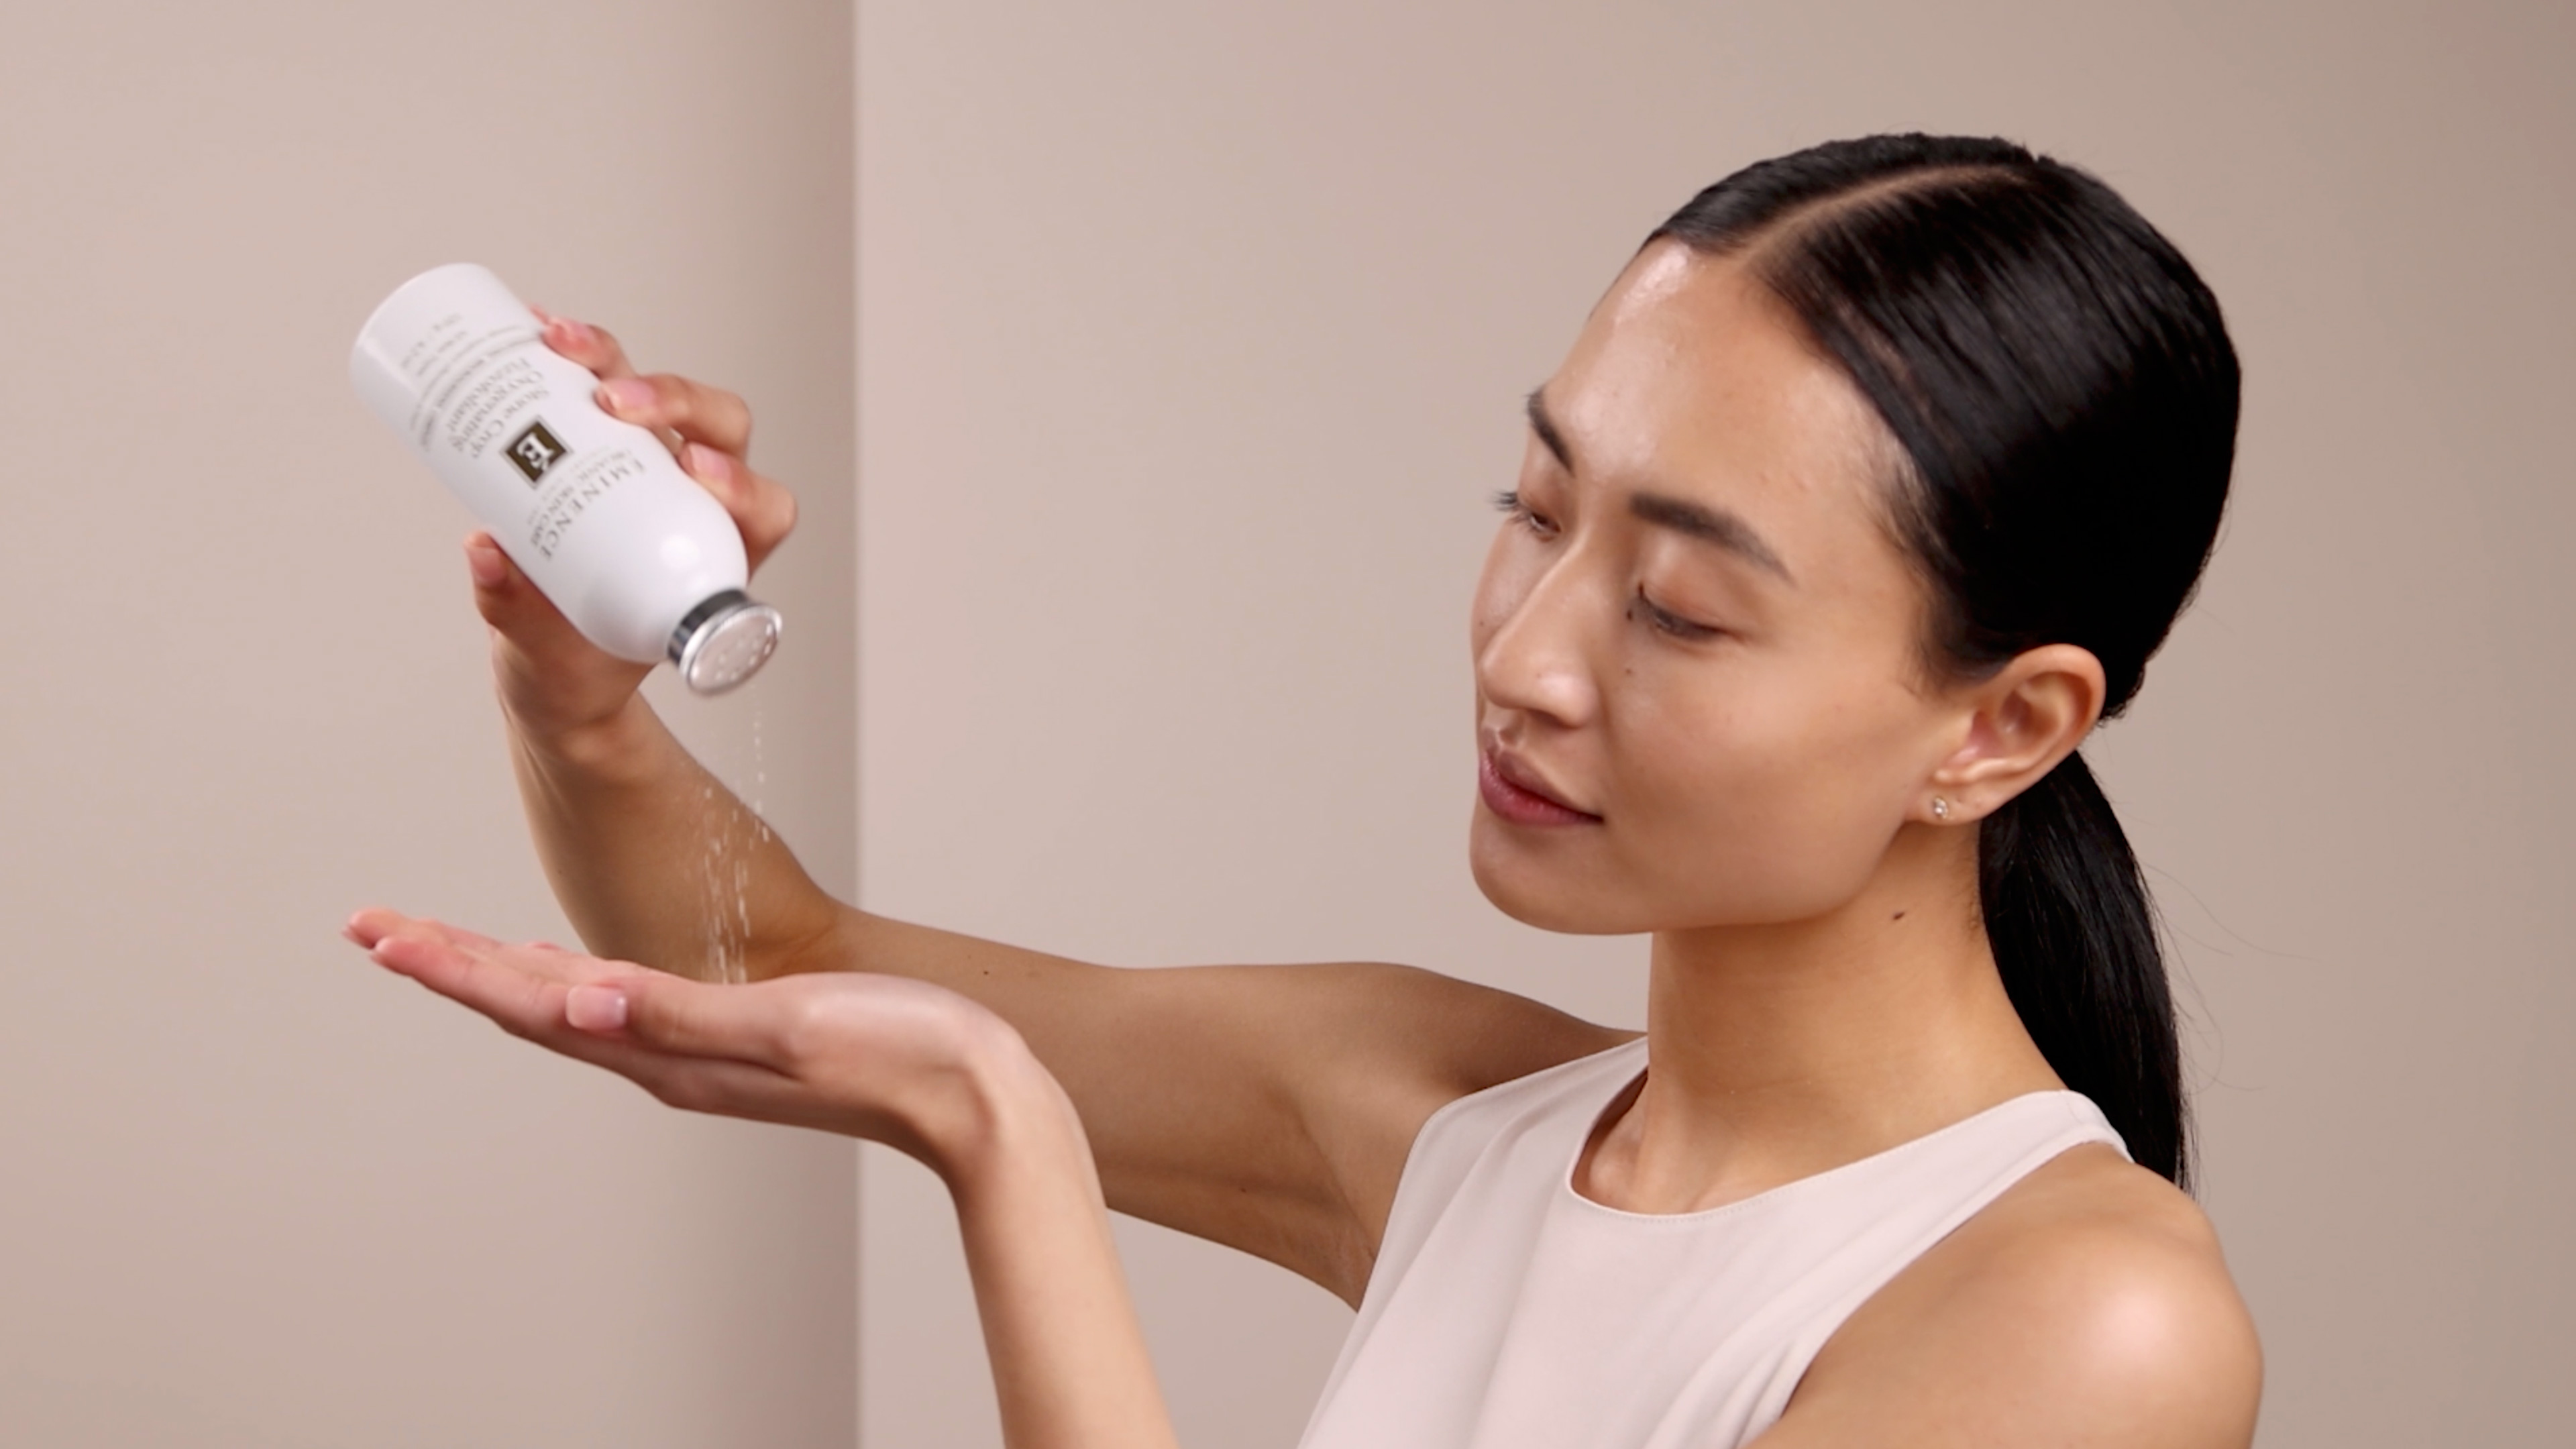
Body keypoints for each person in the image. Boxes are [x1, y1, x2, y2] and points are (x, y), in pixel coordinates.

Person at [349, 133, 2263, 1448]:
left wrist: (1002, 1142)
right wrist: (579, 698)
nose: (1525, 658)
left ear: (2001, 728)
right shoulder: (1457, 1122)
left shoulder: (2084, 1325)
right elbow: (769, 959)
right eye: (1535, 510)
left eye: (1680, 608)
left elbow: (922, 1052)